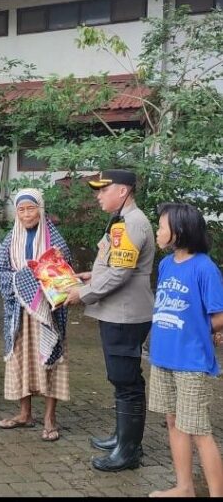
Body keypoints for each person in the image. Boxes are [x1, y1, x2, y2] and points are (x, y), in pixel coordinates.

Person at [64, 169, 155, 472]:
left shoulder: (132, 224)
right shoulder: (121, 221)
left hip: (126, 315)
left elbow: (120, 273)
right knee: (121, 378)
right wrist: (93, 275)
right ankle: (122, 438)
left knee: (126, 381)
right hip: (118, 312)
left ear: (124, 190)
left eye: (104, 190)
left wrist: (84, 293)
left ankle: (128, 451)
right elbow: (115, 264)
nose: (98, 195)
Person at [147, 203, 223, 497]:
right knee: (173, 422)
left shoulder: (205, 267)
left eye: (161, 226)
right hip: (163, 357)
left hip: (192, 361)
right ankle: (184, 487)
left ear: (177, 232)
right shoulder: (166, 265)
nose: (158, 231)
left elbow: (219, 315)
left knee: (199, 431)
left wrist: (202, 331)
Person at [0, 189, 71, 443]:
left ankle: (50, 418)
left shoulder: (54, 239)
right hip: (19, 312)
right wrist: (26, 279)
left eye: (31, 208)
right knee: (20, 358)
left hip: (47, 313)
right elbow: (2, 271)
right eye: (22, 209)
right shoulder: (10, 239)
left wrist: (39, 281)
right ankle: (24, 412)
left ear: (41, 208)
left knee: (50, 358)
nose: (27, 214)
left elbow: (63, 273)